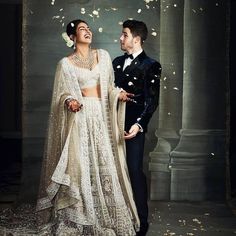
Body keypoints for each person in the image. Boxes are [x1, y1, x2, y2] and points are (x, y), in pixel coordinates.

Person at [36, 19, 140, 235]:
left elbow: (109, 87)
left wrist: (118, 94)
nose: (87, 31)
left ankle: (106, 216)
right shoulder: (65, 64)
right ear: (72, 37)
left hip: (99, 118)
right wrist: (69, 102)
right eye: (82, 29)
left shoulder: (102, 56)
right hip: (80, 119)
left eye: (88, 28)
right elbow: (62, 94)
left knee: (103, 164)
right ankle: (80, 217)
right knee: (79, 167)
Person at [112, 19, 162, 236]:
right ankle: (116, 217)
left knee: (133, 171)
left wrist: (139, 125)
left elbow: (152, 101)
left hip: (132, 128)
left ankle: (141, 222)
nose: (121, 38)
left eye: (124, 34)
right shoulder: (114, 62)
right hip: (110, 124)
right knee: (111, 172)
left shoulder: (151, 65)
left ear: (136, 39)